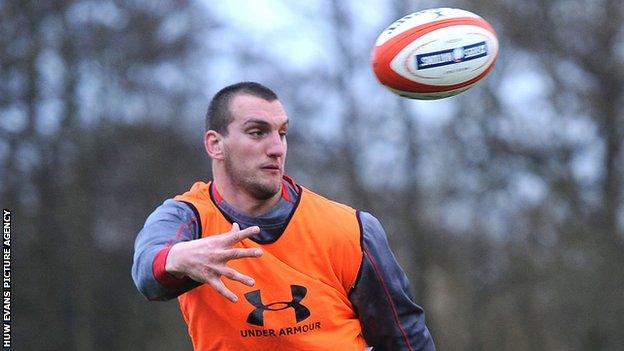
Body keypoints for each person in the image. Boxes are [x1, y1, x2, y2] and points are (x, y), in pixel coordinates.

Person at [132, 81, 436, 351]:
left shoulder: (351, 229)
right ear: (215, 144)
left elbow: (405, 337)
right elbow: (148, 271)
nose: (277, 148)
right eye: (257, 132)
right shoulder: (188, 218)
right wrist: (177, 259)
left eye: (282, 133)